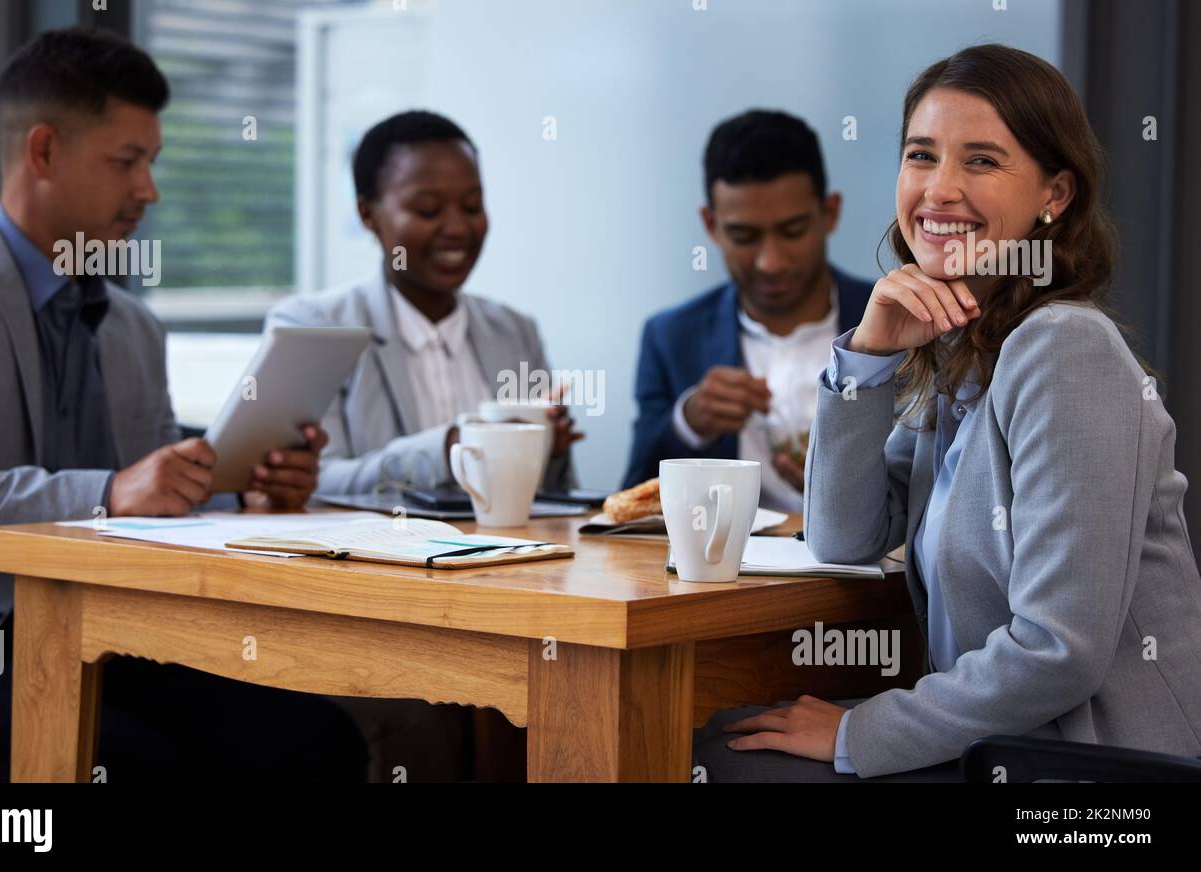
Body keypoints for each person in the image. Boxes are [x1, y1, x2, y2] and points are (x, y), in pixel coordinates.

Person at [695, 44, 1201, 781]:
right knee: (725, 749)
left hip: (1096, 779)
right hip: (1009, 751)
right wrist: (867, 356)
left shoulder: (1065, 348)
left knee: (721, 761)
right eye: (921, 155)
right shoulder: (967, 354)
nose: (939, 189)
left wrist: (862, 730)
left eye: (983, 161)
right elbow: (843, 535)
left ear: (1054, 194)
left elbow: (1059, 651)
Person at [0, 27, 364, 781]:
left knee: (317, 743)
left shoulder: (135, 328)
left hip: (119, 636)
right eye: (127, 162)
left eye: (152, 161)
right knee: (135, 766)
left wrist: (248, 493)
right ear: (43, 152)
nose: (149, 189)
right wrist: (108, 493)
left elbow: (160, 510)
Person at [267, 110, 580, 498]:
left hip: (511, 557)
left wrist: (546, 451)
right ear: (368, 214)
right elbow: (312, 484)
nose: (457, 229)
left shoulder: (515, 331)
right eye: (428, 210)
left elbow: (557, 498)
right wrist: (449, 447)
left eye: (472, 206)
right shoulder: (314, 325)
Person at [623, 110, 872, 512]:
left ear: (830, 213)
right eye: (744, 236)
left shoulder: (898, 325)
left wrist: (851, 488)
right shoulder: (671, 338)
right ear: (711, 224)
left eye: (793, 232)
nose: (770, 262)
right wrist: (690, 422)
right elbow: (629, 502)